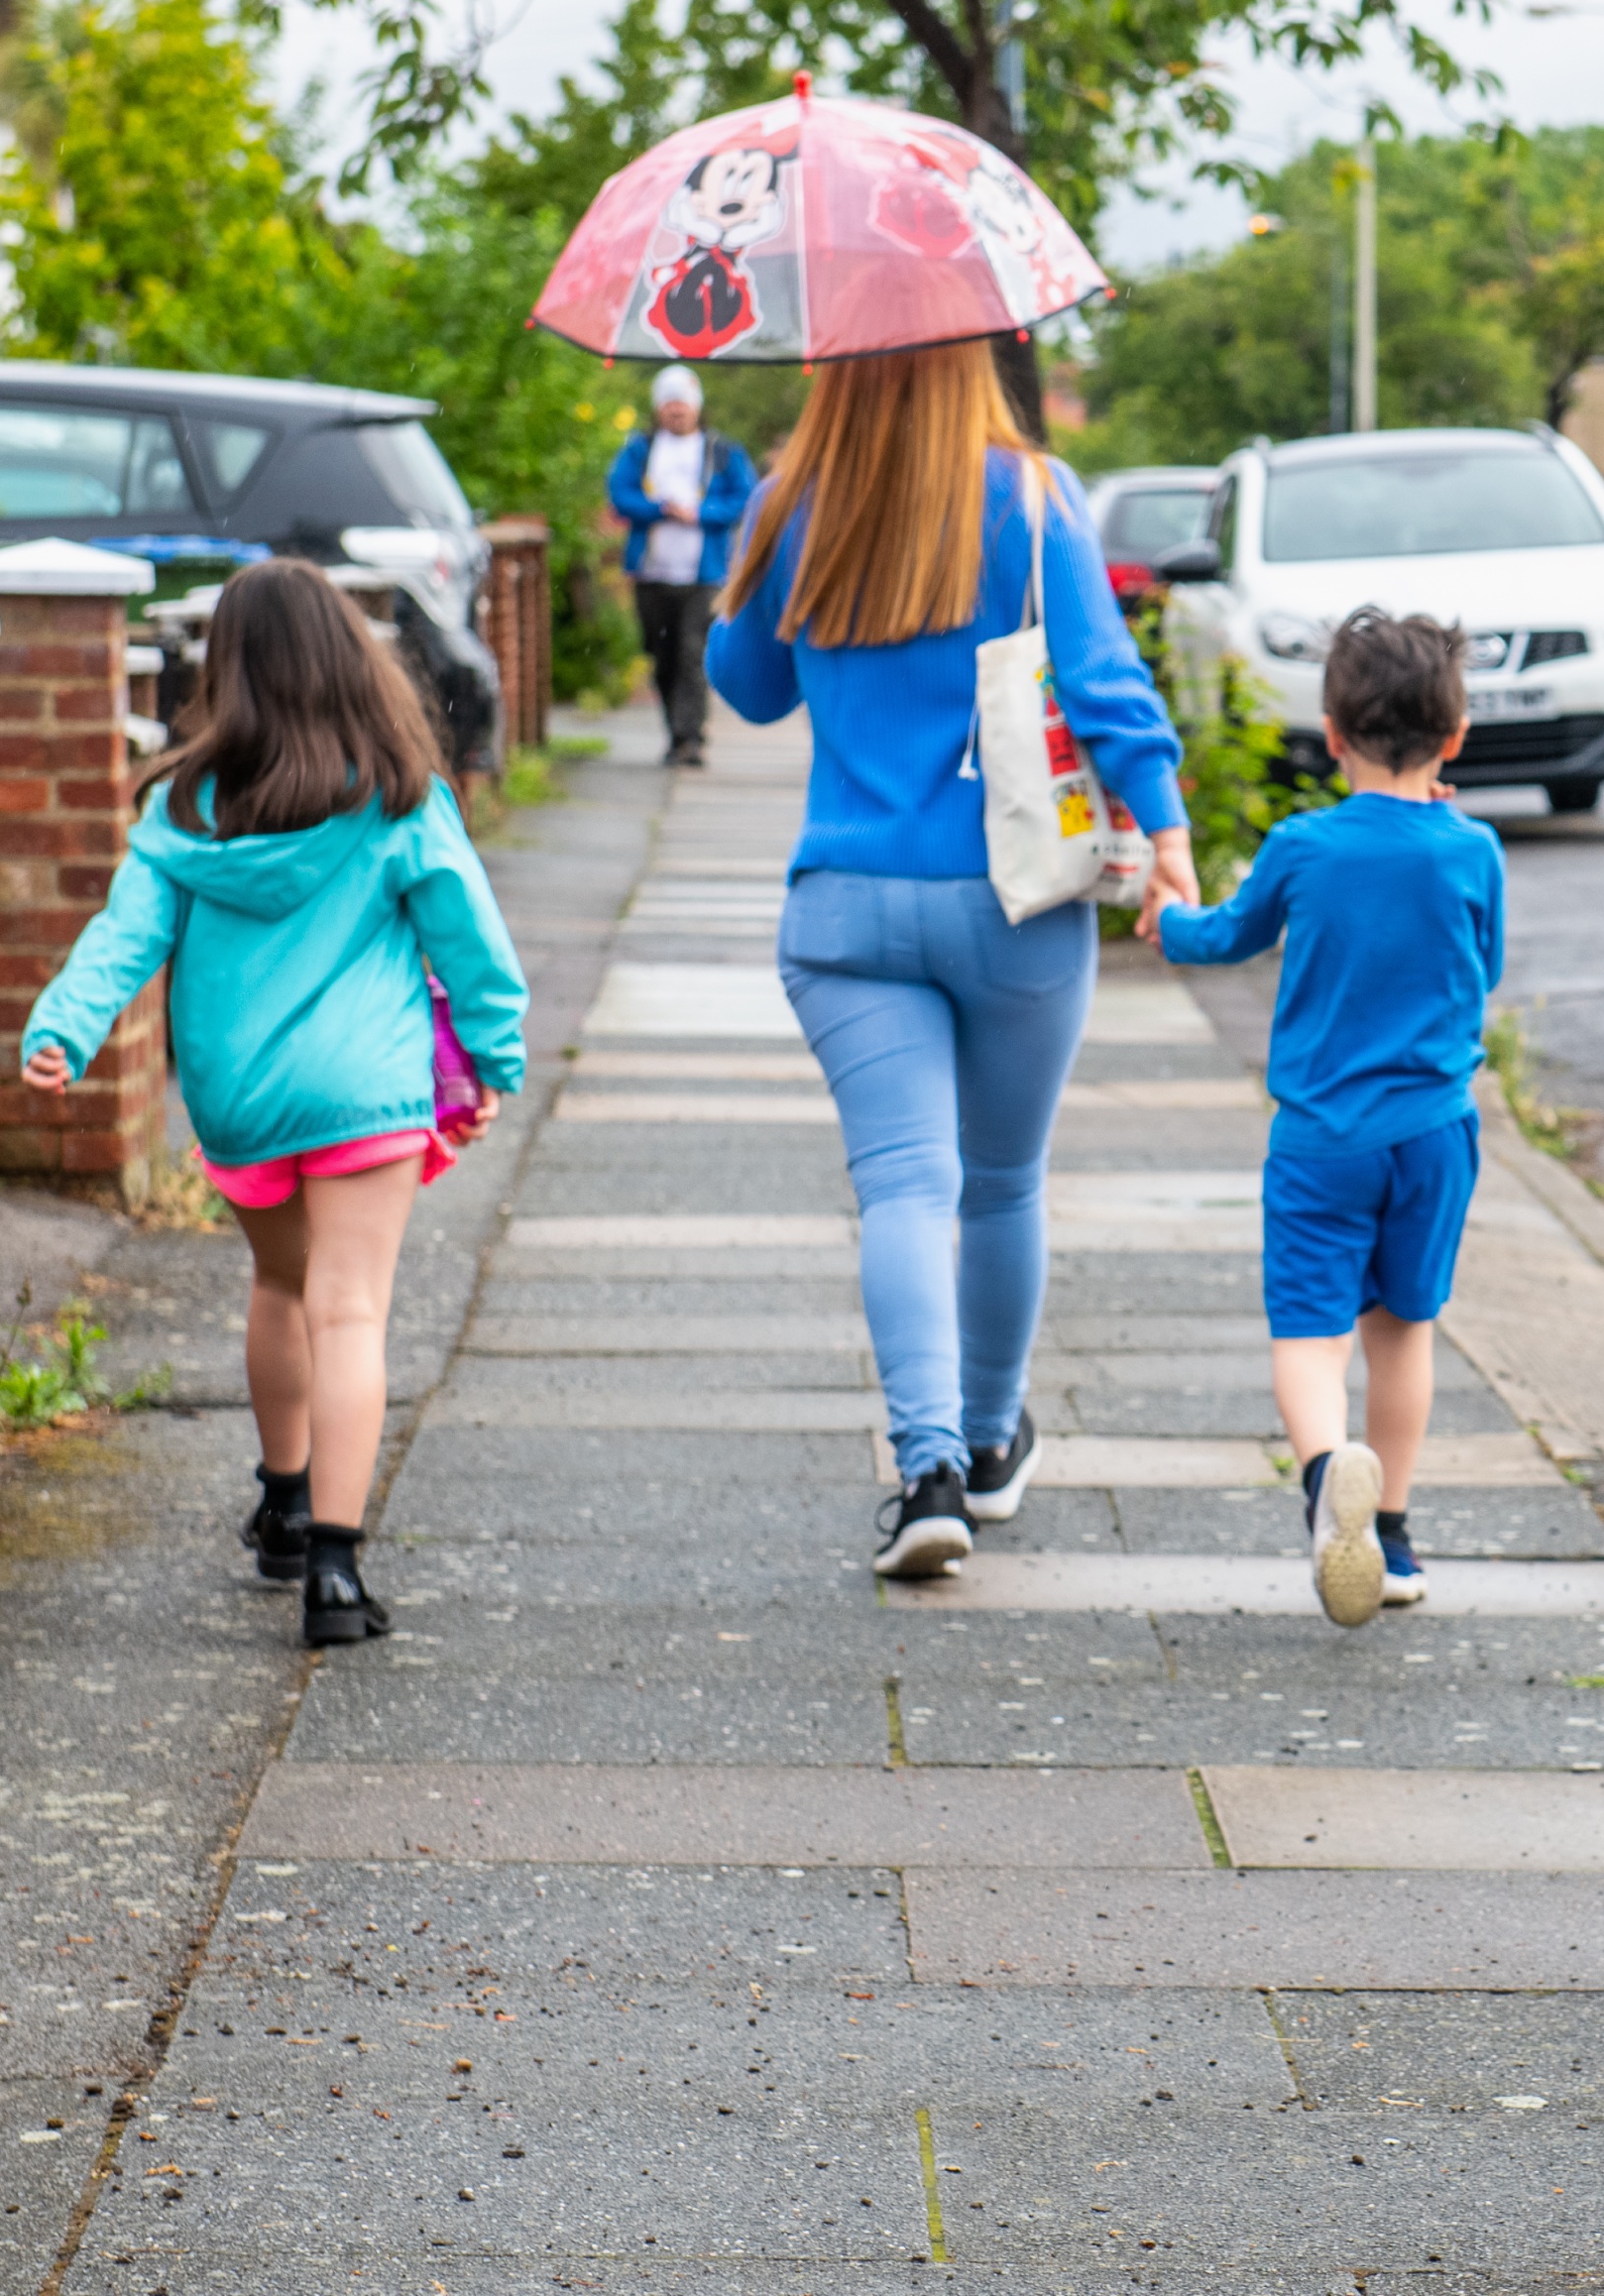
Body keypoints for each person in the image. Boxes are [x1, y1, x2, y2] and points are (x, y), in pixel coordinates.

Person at [712, 338, 1197, 1579]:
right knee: (1003, 1183)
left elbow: (750, 688)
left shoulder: (790, 499)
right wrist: (1170, 823)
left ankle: (922, 1467)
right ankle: (989, 1444)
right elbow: (1101, 681)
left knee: (904, 1190)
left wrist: (759, 548)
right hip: (1013, 900)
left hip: (847, 915)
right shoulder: (1031, 495)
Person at [19, 559, 527, 1650]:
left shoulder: (185, 811)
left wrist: (61, 1027)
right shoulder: (397, 797)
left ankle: (285, 1500)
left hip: (239, 1098)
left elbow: (125, 939)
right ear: (353, 661)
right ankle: (335, 1575)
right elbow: (469, 941)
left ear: (229, 674)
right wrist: (494, 1056)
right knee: (351, 1310)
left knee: (280, 1281)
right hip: (366, 1091)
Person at [1155, 612, 1507, 1626]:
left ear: (1330, 730)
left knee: (1311, 1339)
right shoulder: (1472, 851)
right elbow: (1482, 971)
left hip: (1321, 1142)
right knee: (1404, 1331)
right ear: (1455, 736)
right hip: (1434, 1135)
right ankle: (1390, 1533)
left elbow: (1223, 939)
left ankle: (1325, 1481)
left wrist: (1166, 919)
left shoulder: (1303, 847)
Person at [608, 365, 756, 770]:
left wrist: (701, 513)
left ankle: (690, 737)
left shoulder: (721, 451)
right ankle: (675, 731)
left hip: (703, 574)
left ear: (696, 408)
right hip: (652, 571)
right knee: (663, 654)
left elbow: (745, 498)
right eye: (669, 403)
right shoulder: (639, 450)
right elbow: (620, 493)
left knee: (693, 653)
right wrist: (659, 509)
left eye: (683, 403)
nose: (676, 411)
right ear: (658, 409)